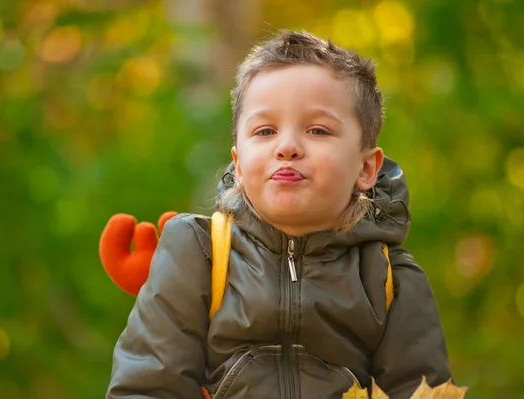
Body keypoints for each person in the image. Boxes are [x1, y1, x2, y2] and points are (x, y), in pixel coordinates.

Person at [106, 30, 451, 399]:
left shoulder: (389, 280)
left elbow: (421, 391)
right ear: (238, 164)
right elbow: (148, 386)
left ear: (366, 168)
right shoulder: (197, 252)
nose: (287, 147)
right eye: (265, 130)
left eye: (318, 130)